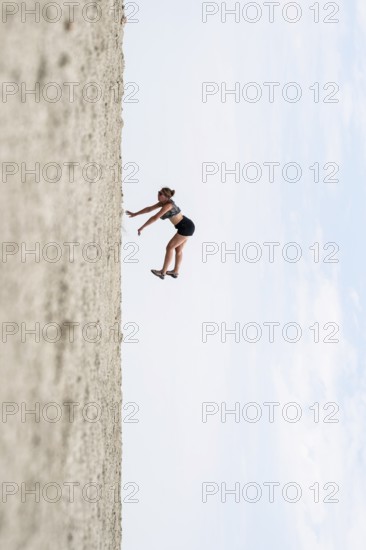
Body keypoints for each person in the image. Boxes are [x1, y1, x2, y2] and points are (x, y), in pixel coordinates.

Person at [126, 187, 195, 279]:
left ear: (166, 197)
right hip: (186, 226)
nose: (158, 194)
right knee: (178, 250)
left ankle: (163, 272)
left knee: (170, 247)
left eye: (160, 194)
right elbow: (149, 209)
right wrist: (135, 214)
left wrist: (142, 227)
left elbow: (155, 217)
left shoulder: (168, 205)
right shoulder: (163, 203)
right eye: (158, 192)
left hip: (185, 227)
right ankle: (175, 272)